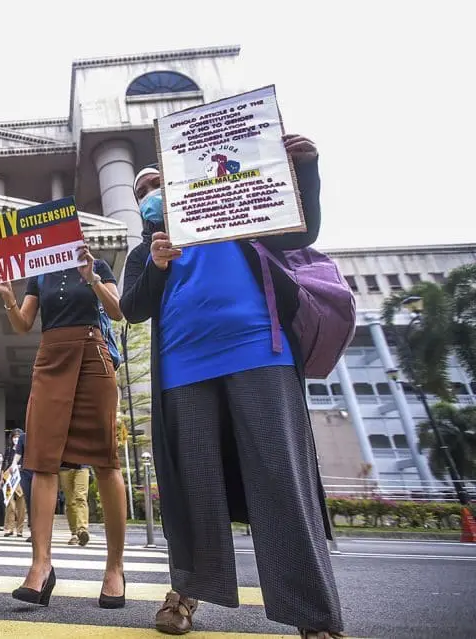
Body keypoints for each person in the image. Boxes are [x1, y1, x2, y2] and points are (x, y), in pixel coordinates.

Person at [120, 136, 343, 638]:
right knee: (194, 486)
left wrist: (304, 170)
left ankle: (316, 617)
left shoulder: (236, 208)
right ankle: (185, 593)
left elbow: (300, 231)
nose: (152, 192)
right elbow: (133, 308)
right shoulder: (145, 249)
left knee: (280, 482)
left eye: (158, 181)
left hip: (259, 352)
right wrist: (156, 266)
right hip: (183, 368)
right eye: (143, 190)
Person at [0, 244, 127, 609]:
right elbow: (22, 325)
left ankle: (115, 567)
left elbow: (116, 311)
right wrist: (7, 297)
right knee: (41, 459)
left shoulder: (96, 264)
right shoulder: (40, 272)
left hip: (93, 358)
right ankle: (40, 565)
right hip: (50, 359)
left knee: (106, 460)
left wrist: (93, 279)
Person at [58, 465, 90, 546]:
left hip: (83, 465)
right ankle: (74, 533)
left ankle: (82, 530)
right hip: (64, 467)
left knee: (81, 498)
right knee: (70, 502)